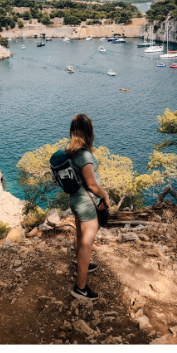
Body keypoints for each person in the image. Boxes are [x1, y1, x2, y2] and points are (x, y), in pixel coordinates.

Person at [65, 114, 112, 300]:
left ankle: (81, 266)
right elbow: (92, 185)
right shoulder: (84, 155)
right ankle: (80, 288)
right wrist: (105, 195)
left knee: (79, 235)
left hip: (75, 200)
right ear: (88, 132)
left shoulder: (70, 151)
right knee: (87, 243)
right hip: (87, 203)